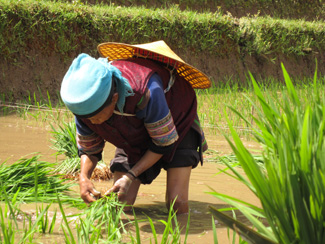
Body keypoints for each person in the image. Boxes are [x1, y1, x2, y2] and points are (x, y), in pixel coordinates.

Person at [60, 40, 211, 214]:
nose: (93, 122)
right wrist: (84, 177)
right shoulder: (85, 108)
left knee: (176, 202)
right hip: (133, 133)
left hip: (177, 124)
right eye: (88, 119)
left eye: (97, 117)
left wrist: (131, 175)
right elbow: (90, 149)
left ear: (115, 99)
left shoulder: (146, 91)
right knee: (120, 202)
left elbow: (164, 142)